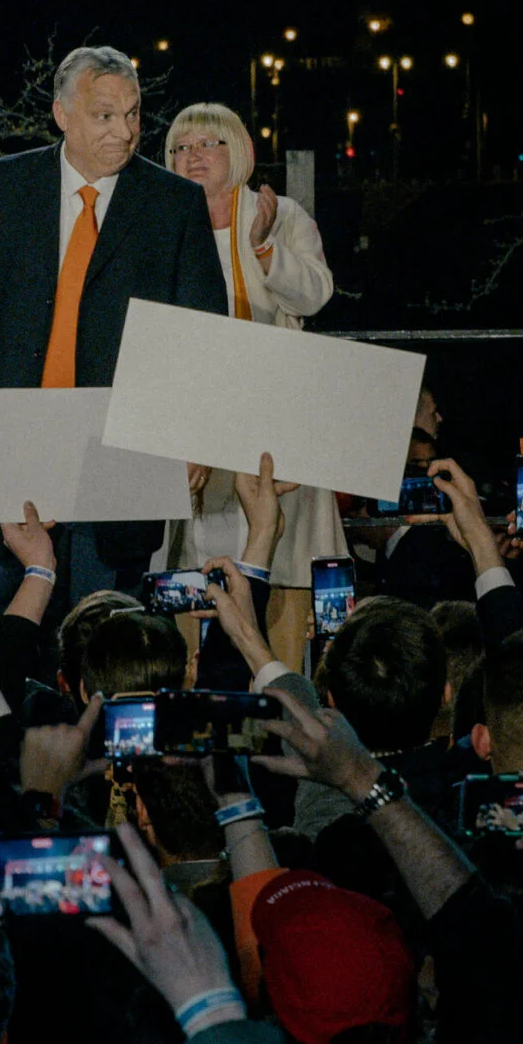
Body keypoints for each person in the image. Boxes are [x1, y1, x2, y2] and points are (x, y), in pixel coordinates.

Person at [0, 45, 226, 621]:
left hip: (120, 461)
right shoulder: (0, 186)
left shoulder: (174, 204)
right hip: (8, 452)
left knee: (105, 627)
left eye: (133, 114)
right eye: (105, 115)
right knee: (0, 622)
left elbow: (202, 332)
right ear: (62, 114)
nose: (125, 131)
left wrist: (195, 433)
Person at [153, 102, 344, 662]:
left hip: (271, 415)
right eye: (180, 148)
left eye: (206, 144)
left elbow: (315, 294)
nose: (192, 157)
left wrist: (263, 246)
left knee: (280, 560)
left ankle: (278, 681)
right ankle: (195, 683)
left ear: (238, 151)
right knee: (189, 564)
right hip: (192, 419)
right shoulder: (159, 220)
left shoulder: (280, 214)